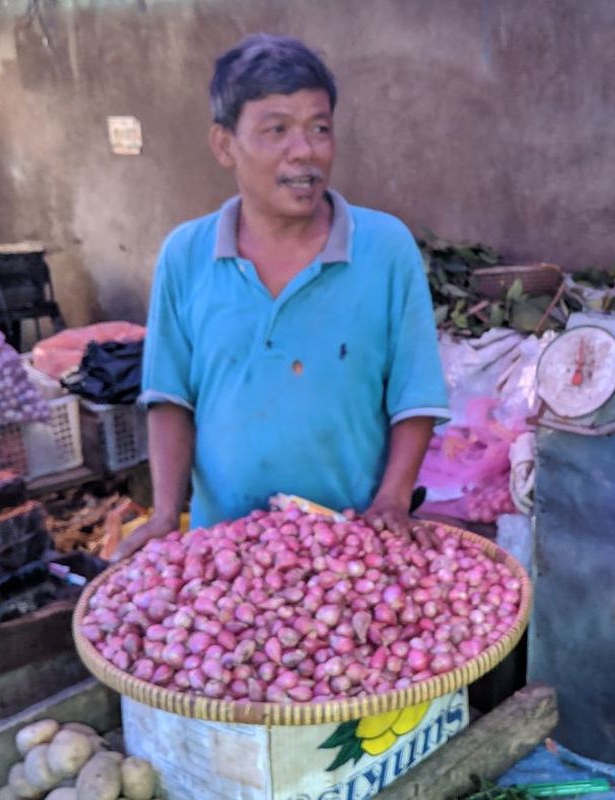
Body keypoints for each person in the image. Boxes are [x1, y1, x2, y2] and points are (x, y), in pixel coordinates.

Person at [116, 35, 448, 558]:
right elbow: (170, 399)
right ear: (224, 145)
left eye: (320, 129)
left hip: (352, 548)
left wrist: (392, 499)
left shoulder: (385, 247)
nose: (306, 151)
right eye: (277, 130)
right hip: (222, 556)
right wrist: (163, 514)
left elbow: (416, 394)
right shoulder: (186, 255)